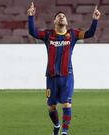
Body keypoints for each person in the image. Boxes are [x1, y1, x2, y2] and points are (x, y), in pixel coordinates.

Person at [27, 2, 101, 135]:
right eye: (58, 16)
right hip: (51, 76)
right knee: (51, 107)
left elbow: (89, 34)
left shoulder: (72, 34)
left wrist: (95, 20)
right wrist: (31, 17)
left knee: (66, 104)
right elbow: (33, 32)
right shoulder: (48, 35)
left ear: (66, 22)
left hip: (67, 75)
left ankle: (65, 132)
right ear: (54, 21)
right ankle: (57, 126)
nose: (61, 17)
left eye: (63, 16)